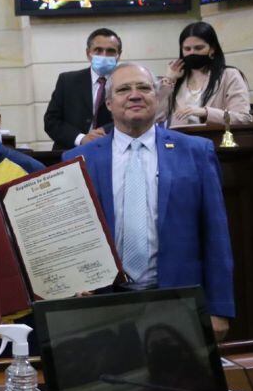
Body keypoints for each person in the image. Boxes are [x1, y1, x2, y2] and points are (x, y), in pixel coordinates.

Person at [61, 62, 235, 340]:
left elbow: (216, 235)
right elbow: (66, 234)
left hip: (179, 302)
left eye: (144, 87)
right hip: (102, 307)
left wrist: (219, 308)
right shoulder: (79, 159)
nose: (134, 95)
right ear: (108, 103)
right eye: (123, 89)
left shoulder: (196, 152)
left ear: (157, 96)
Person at [159, 22, 253, 128]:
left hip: (214, 140)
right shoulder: (176, 80)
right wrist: (168, 80)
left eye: (198, 48)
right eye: (187, 49)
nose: (192, 53)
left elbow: (243, 118)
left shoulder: (229, 75)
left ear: (212, 49)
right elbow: (157, 116)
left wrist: (205, 112)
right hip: (180, 141)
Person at [44, 28, 121, 150]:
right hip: (70, 152)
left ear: (118, 55)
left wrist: (105, 132)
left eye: (110, 51)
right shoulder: (67, 81)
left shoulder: (126, 84)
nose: (104, 55)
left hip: (112, 151)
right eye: (98, 50)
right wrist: (81, 138)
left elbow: (135, 119)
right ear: (88, 53)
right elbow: (51, 122)